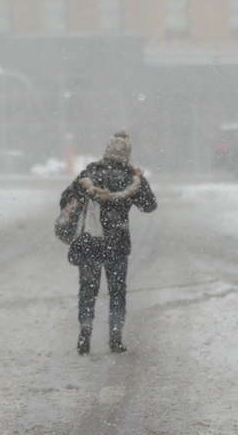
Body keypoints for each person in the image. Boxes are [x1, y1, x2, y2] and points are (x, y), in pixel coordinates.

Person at [59, 131, 157, 355]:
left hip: (91, 241)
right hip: (117, 242)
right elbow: (149, 205)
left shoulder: (90, 173)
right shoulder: (130, 178)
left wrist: (84, 200)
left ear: (107, 150)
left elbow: (65, 199)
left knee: (88, 289)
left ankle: (85, 330)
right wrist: (141, 181)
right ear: (127, 154)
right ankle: (115, 337)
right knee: (117, 291)